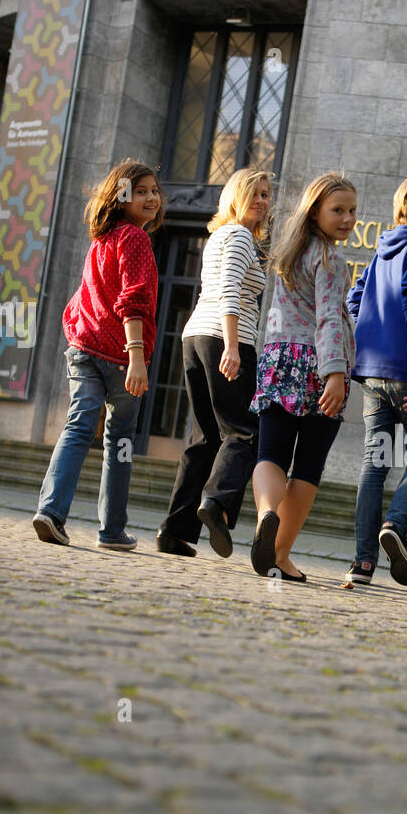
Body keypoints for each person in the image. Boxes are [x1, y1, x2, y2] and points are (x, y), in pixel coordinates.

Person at [32, 161, 164, 551]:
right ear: (121, 197)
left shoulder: (101, 240)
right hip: (121, 358)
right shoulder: (135, 240)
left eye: (154, 190)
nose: (152, 197)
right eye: (140, 191)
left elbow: (82, 299)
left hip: (83, 348)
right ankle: (111, 531)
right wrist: (137, 356)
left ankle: (51, 512)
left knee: (78, 425)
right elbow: (134, 300)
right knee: (120, 439)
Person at [156, 168, 271, 558]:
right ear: (235, 196)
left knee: (205, 437)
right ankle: (215, 503)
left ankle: (175, 530)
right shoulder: (238, 236)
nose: (261, 201)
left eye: (266, 195)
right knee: (244, 432)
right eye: (254, 193)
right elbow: (228, 291)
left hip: (195, 337)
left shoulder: (218, 236)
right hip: (224, 338)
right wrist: (234, 345)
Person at [249, 173, 357, 580]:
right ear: (315, 211)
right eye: (339, 210)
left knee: (270, 455)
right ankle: (280, 554)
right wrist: (334, 373)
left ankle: (265, 514)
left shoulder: (289, 252)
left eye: (352, 211)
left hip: (278, 360)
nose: (347, 219)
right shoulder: (329, 258)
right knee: (307, 467)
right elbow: (328, 317)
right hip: (317, 367)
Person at [344, 175, 407, 588]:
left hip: (372, 373)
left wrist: (369, 339)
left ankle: (362, 564)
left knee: (374, 466)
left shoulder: (381, 250)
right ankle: (395, 526)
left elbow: (355, 298)